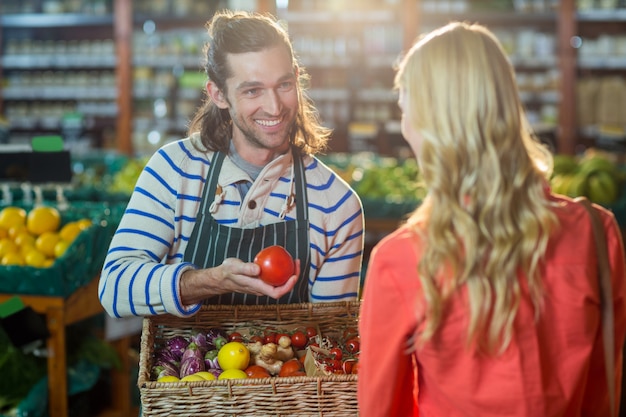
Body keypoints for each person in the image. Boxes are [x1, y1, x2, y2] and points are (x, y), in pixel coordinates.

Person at [358, 21, 626, 417]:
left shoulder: (400, 260)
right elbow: (605, 385)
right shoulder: (597, 232)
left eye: (404, 111)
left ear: (429, 127)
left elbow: (382, 407)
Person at [98, 10, 364, 318]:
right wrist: (209, 281)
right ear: (219, 95)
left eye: (284, 85)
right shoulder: (174, 170)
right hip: (182, 367)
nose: (274, 106)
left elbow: (330, 336)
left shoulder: (337, 206)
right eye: (253, 90)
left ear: (297, 77)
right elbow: (113, 289)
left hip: (285, 367)